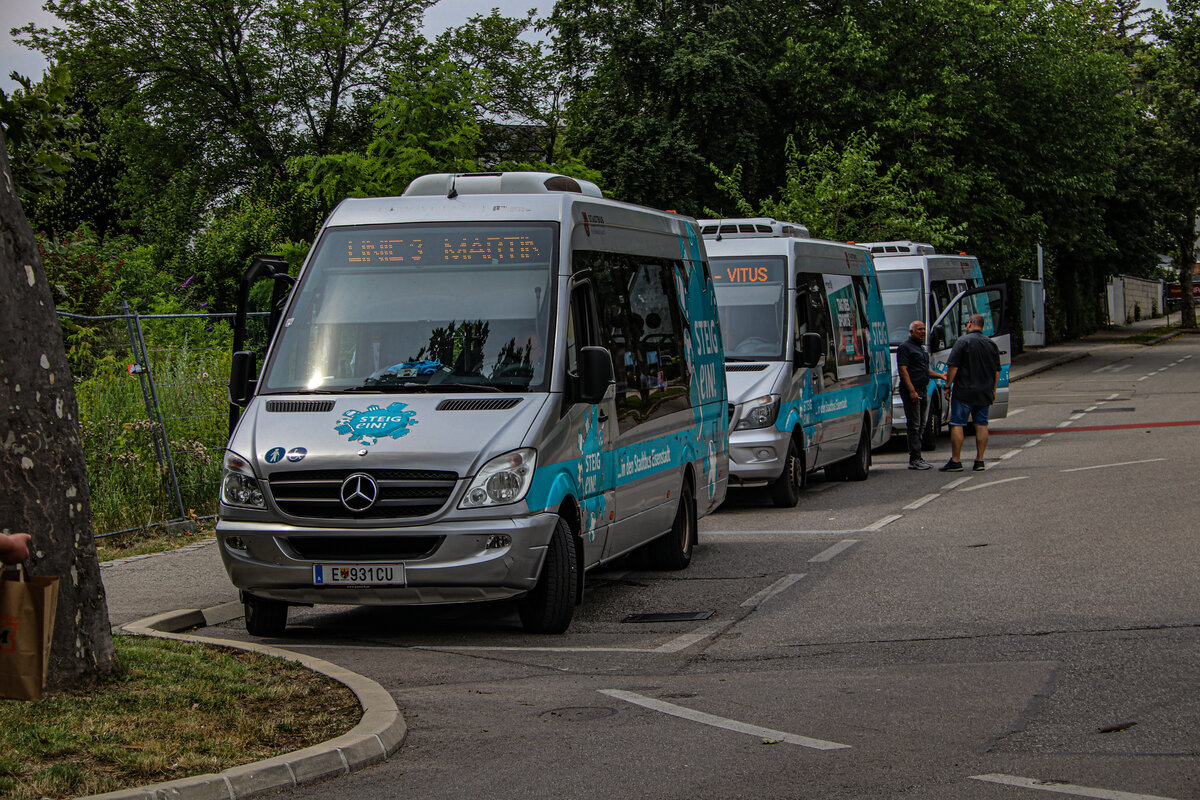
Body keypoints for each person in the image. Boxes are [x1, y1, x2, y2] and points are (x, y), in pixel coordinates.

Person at [939, 313, 1001, 472]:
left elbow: (953, 367)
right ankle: (979, 460)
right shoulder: (991, 344)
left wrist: (947, 385)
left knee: (957, 424)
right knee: (981, 424)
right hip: (984, 392)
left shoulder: (962, 342)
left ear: (969, 324)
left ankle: (956, 460)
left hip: (964, 391)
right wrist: (993, 390)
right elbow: (996, 371)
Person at [896, 320, 946, 469]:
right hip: (913, 390)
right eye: (919, 329)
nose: (923, 332)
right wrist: (911, 390)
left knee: (922, 424)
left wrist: (940, 375)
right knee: (914, 424)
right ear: (911, 332)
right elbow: (903, 370)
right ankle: (914, 458)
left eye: (924, 329)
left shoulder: (922, 348)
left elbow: (925, 370)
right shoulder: (905, 348)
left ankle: (918, 456)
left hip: (923, 389)